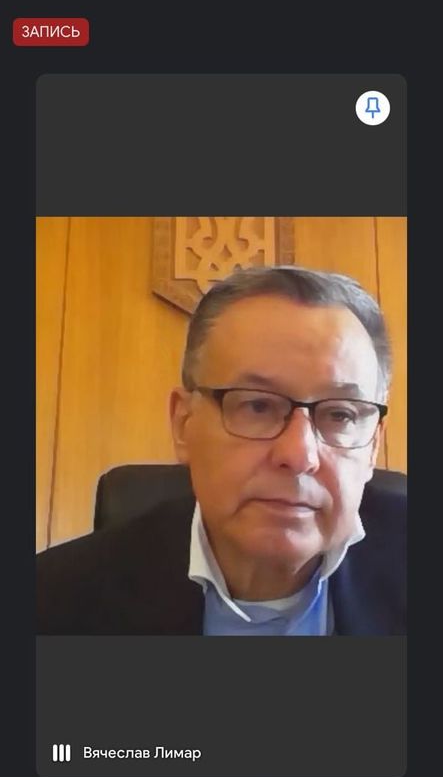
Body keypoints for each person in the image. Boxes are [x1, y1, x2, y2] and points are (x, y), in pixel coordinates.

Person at [37, 266, 406, 636]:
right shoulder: (52, 600)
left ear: (374, 443)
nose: (299, 455)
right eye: (257, 406)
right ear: (184, 424)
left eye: (340, 414)